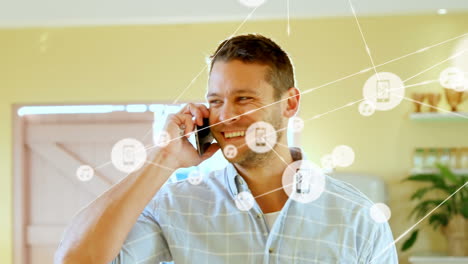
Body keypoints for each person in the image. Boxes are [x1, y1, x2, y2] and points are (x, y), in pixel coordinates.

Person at [54, 34, 398, 264]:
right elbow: (75, 259)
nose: (226, 116)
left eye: (244, 99)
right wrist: (164, 158)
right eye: (215, 101)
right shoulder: (177, 205)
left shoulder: (356, 216)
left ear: (290, 103)